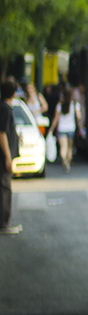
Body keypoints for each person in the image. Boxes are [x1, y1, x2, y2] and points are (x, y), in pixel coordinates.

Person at [0, 79, 20, 235]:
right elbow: (2, 134)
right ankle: (4, 223)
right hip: (3, 158)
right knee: (5, 188)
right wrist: (8, 157)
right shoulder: (5, 109)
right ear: (14, 93)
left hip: (5, 156)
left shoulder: (4, 108)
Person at [52, 91, 80, 172]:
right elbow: (78, 116)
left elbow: (55, 119)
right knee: (70, 148)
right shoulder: (75, 104)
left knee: (63, 147)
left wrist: (51, 129)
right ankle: (68, 162)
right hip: (71, 128)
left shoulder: (59, 105)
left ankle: (64, 160)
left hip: (61, 129)